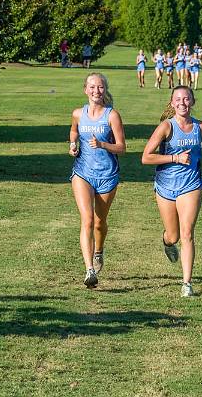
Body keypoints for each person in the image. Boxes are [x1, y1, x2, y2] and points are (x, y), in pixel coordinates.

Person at [141, 86, 202, 297]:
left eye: (186, 99)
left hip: (191, 184)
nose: (182, 103)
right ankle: (167, 242)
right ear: (172, 103)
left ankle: (186, 283)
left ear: (193, 102)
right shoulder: (166, 127)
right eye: (178, 99)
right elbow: (146, 157)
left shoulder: (201, 127)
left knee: (187, 233)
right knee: (174, 235)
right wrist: (175, 158)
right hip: (166, 186)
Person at [69, 73, 127, 288]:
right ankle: (89, 270)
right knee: (87, 220)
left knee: (100, 221)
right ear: (85, 89)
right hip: (82, 173)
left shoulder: (112, 116)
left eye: (100, 87)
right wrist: (73, 145)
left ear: (105, 90)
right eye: (92, 87)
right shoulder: (78, 114)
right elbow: (74, 132)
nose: (96, 91)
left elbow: (122, 147)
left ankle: (99, 251)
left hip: (107, 175)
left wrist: (103, 145)